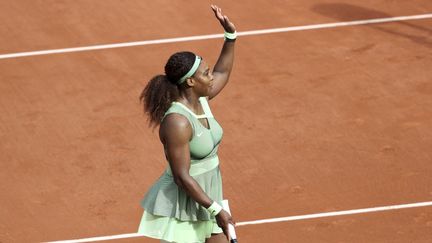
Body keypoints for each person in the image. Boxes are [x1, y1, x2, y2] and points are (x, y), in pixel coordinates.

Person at [138, 5, 237, 243]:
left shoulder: (202, 100)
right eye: (205, 73)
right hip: (185, 202)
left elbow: (223, 71)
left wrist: (230, 36)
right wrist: (215, 209)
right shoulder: (177, 122)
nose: (211, 74)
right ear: (191, 81)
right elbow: (182, 177)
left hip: (210, 195)